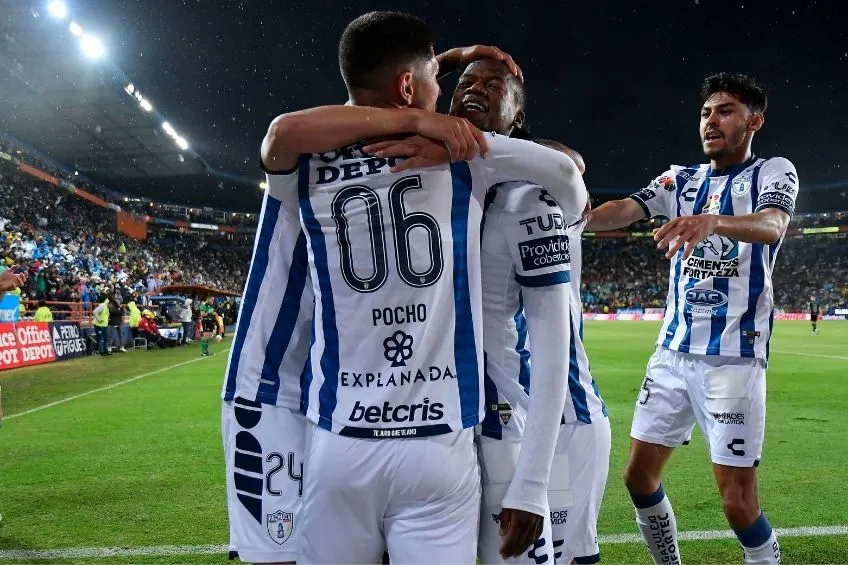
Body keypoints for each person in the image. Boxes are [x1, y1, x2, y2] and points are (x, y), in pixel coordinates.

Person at [258, 11, 586, 564]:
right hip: (440, 438)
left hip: (342, 433)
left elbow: (281, 133)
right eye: (446, 79)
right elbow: (569, 176)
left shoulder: (309, 160)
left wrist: (434, 103)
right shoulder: (471, 165)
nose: (454, 92)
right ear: (411, 86)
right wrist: (448, 133)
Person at [586, 72, 796, 565]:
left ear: (754, 121)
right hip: (672, 354)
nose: (711, 120)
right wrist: (568, 217)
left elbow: (773, 225)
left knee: (738, 503)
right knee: (638, 477)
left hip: (733, 360)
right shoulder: (680, 179)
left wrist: (713, 221)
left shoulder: (772, 172)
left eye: (725, 111)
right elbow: (623, 209)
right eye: (706, 112)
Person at [448, 58, 610, 565]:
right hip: (475, 420)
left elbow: (569, 167)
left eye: (492, 87)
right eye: (465, 84)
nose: (475, 90)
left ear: (518, 119)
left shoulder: (535, 192)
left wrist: (533, 480)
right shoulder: (447, 184)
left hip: (557, 420)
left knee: (560, 556)